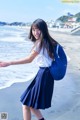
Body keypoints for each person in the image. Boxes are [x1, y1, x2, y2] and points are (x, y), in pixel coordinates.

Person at [0, 18, 58, 120]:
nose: (35, 32)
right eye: (33, 29)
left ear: (43, 29)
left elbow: (29, 59)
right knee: (29, 104)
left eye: (38, 29)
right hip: (45, 74)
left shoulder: (41, 43)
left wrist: (9, 62)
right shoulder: (49, 42)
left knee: (26, 103)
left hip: (44, 75)